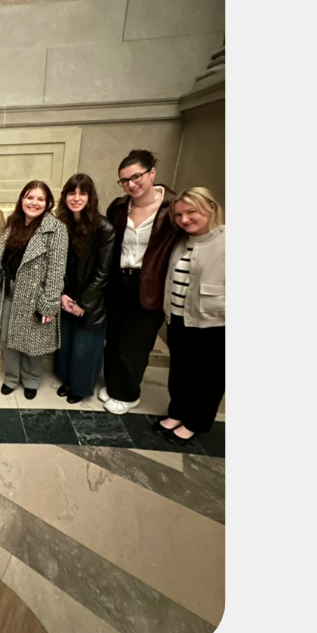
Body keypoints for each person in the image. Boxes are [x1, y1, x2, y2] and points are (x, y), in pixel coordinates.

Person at [101, 149, 181, 415]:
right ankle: (114, 385)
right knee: (113, 336)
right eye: (124, 180)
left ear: (152, 173)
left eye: (136, 177)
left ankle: (127, 393)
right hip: (119, 280)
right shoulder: (119, 206)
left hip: (151, 284)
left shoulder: (172, 207)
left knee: (135, 342)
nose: (131, 185)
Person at [0, 180, 69, 399]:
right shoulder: (13, 222)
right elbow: (0, 255)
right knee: (8, 337)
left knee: (33, 342)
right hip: (8, 292)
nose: (34, 203)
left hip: (35, 296)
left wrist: (49, 305)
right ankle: (11, 378)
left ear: (48, 202)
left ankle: (31, 380)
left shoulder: (56, 230)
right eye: (30, 197)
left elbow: (57, 270)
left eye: (40, 199)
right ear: (22, 199)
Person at [158, 187, 226, 445]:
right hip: (178, 318)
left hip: (214, 322)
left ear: (209, 208)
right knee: (180, 370)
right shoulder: (181, 240)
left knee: (208, 375)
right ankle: (177, 412)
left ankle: (195, 422)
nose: (184, 219)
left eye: (191, 212)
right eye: (179, 215)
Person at [53, 174, 115, 404]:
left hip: (91, 300)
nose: (76, 198)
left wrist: (84, 303)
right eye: (71, 193)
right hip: (67, 295)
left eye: (82, 193)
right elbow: (59, 263)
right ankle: (68, 380)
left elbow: (103, 271)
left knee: (85, 348)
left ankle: (80, 387)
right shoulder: (62, 225)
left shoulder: (104, 228)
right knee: (68, 344)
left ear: (90, 197)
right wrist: (63, 294)